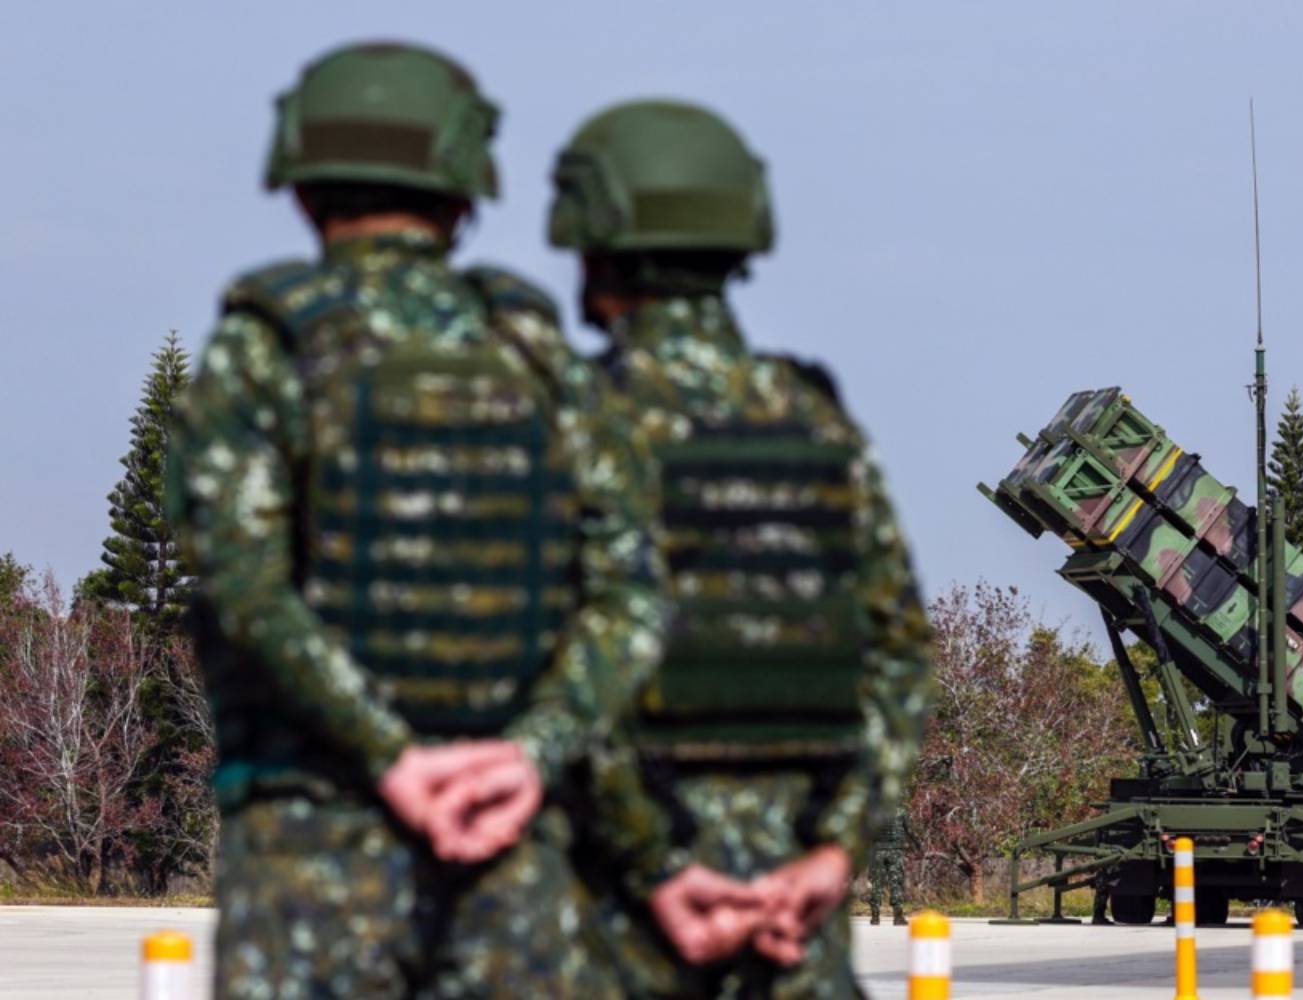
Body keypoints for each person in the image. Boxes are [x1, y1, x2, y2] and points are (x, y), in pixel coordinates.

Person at [168, 43, 681, 998]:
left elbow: (244, 588)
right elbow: (632, 597)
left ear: (302, 188)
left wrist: (391, 758)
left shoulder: (265, 349)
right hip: (510, 843)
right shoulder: (538, 361)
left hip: (310, 840)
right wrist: (529, 756)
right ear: (463, 191)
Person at [546, 99, 934, 998]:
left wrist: (655, 864)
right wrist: (834, 852)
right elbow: (900, 655)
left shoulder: (573, 426)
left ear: (597, 243)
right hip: (798, 932)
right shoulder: (815, 425)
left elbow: (555, 679)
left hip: (623, 931)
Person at [865, 808, 915, 926]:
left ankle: (875, 917)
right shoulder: (900, 811)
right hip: (896, 851)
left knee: (876, 884)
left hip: (878, 851)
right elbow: (910, 831)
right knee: (896, 883)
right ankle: (898, 917)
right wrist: (917, 844)